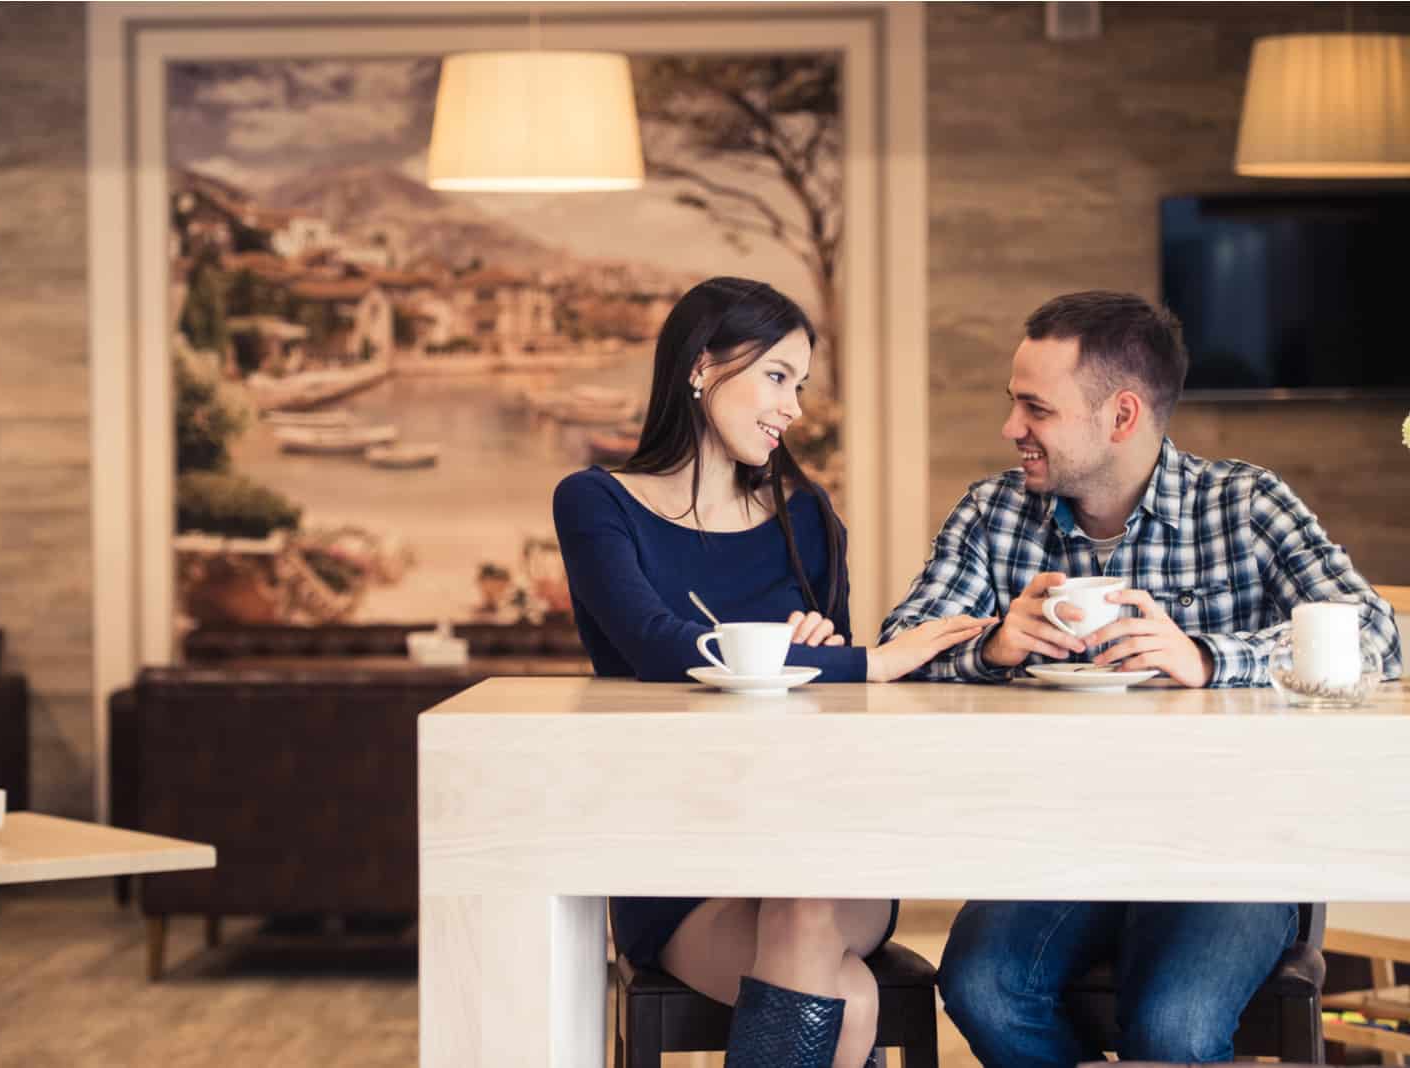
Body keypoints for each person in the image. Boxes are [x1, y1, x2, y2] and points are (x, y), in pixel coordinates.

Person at [879, 289, 1403, 1067]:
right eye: (1012, 404)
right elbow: (900, 647)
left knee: (1174, 1027)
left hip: (1233, 846)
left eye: (1036, 409)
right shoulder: (993, 514)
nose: (1009, 429)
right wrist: (991, 648)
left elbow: (1378, 637)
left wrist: (1206, 658)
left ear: (1120, 417)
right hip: (1059, 841)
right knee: (983, 990)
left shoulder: (1244, 504)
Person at [554, 276, 994, 1068]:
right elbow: (657, 646)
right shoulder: (596, 504)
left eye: (801, 385)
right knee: (849, 1000)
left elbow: (840, 710)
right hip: (679, 857)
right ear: (700, 367)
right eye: (777, 377)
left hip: (817, 833)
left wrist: (824, 659)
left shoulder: (809, 518)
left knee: (802, 896)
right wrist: (862, 662)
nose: (793, 408)